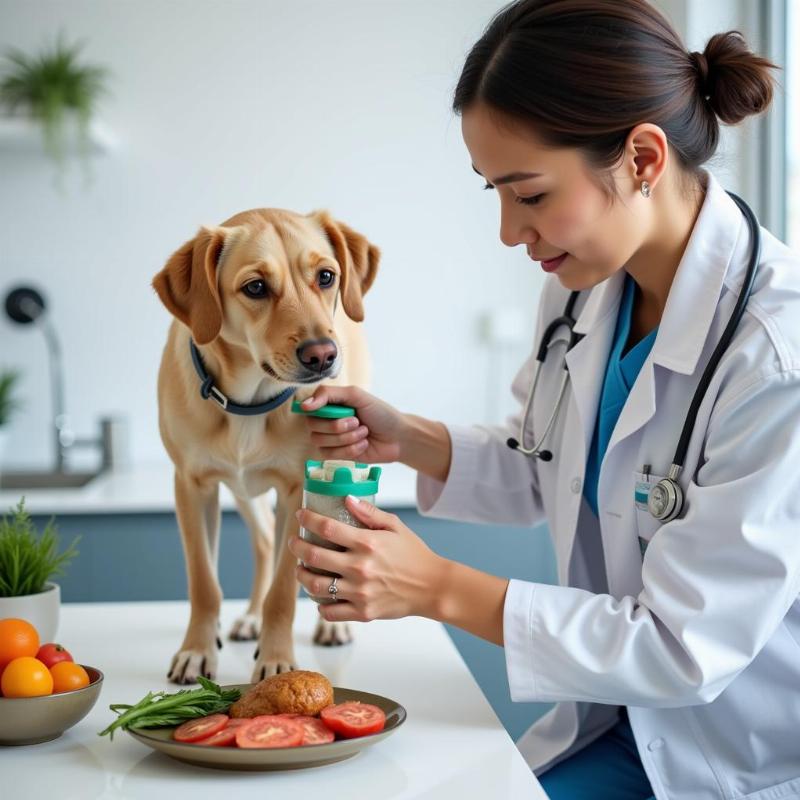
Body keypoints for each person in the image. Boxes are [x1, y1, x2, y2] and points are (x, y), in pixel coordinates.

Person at [287, 1, 800, 798]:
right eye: (494, 191)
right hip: (613, 723)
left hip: (729, 757)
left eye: (527, 194)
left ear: (641, 158)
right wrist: (408, 437)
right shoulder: (584, 292)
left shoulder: (776, 358)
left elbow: (683, 648)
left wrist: (436, 587)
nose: (507, 231)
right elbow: (545, 465)